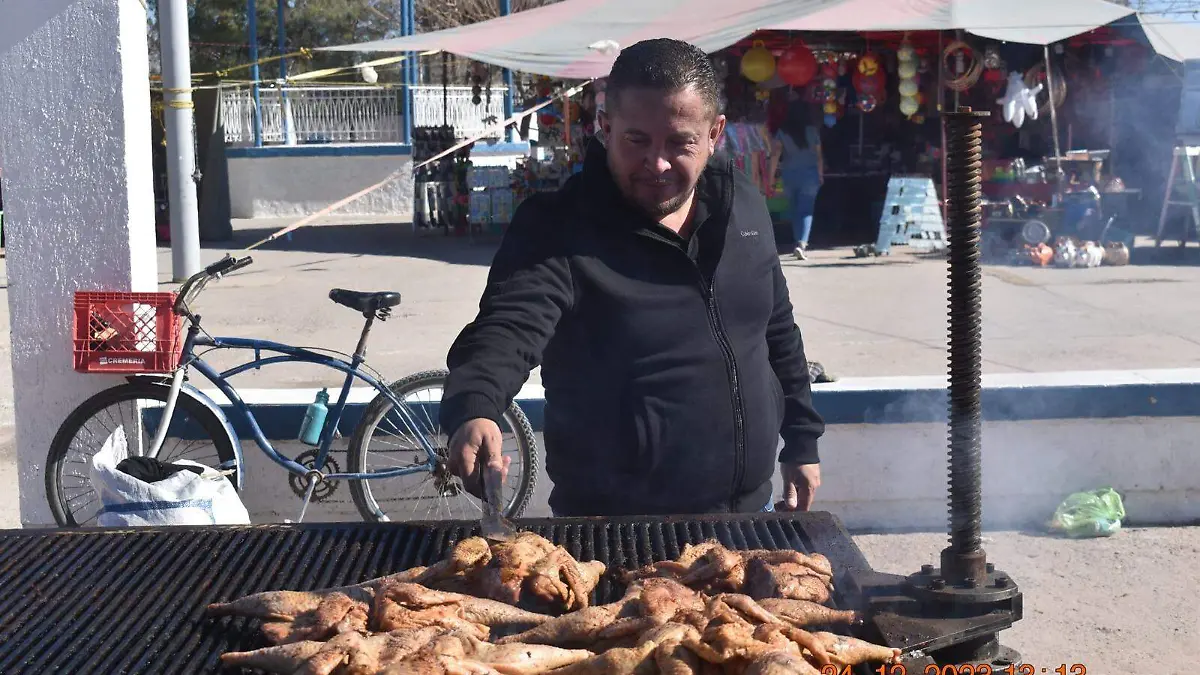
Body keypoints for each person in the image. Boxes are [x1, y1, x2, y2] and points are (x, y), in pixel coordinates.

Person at [438, 38, 826, 517]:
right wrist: (475, 405)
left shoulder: (742, 204)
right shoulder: (559, 227)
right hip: (613, 528)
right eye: (636, 140)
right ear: (605, 128)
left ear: (714, 134)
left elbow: (776, 329)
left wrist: (802, 442)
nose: (657, 164)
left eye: (679, 142)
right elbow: (506, 328)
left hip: (749, 515)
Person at [770, 102, 824, 260]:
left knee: (794, 209)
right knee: (806, 209)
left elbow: (775, 155)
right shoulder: (813, 131)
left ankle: (797, 241)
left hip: (789, 175)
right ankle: (801, 243)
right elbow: (819, 155)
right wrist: (820, 174)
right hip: (810, 175)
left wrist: (771, 175)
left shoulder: (782, 132)